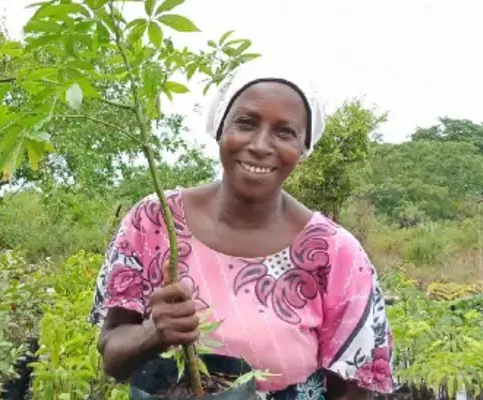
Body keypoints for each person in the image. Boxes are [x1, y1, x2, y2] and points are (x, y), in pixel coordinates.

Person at [87, 61, 396, 400]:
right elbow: (112, 359)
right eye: (246, 123)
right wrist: (154, 333)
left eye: (284, 132)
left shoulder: (336, 253)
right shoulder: (154, 221)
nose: (261, 145)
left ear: (303, 149)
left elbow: (353, 389)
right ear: (220, 128)